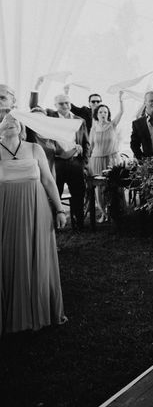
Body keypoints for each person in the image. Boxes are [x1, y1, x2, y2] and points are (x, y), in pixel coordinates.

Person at [0, 114, 67, 334]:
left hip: (36, 208)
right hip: (5, 210)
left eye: (14, 121)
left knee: (35, 255)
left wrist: (59, 209)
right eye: (5, 120)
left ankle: (36, 307)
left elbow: (48, 180)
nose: (10, 122)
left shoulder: (33, 149)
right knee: (8, 256)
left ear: (21, 127)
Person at [29, 91, 90, 230]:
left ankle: (79, 223)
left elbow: (86, 143)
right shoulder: (50, 117)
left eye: (67, 102)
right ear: (55, 105)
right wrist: (37, 88)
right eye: (61, 103)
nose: (65, 105)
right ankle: (55, 224)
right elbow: (34, 108)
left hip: (76, 162)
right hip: (57, 162)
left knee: (78, 193)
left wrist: (84, 162)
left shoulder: (79, 120)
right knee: (55, 192)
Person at [88, 91, 125, 222]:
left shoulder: (112, 125)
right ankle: (103, 212)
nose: (103, 114)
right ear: (96, 115)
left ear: (108, 114)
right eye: (100, 112)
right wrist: (88, 162)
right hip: (97, 159)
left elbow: (121, 113)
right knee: (100, 187)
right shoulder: (93, 128)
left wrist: (120, 100)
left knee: (115, 186)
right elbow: (91, 146)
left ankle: (117, 211)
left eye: (105, 112)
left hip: (112, 159)